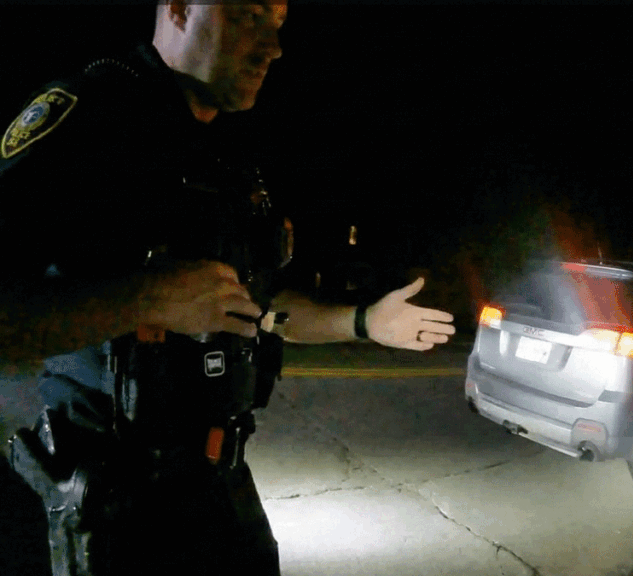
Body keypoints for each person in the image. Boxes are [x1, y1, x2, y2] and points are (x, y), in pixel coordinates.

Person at [0, 1, 455, 574]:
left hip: (215, 489)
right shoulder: (92, 117)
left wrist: (364, 321)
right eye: (245, 16)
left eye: (280, 22)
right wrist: (145, 298)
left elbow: (257, 305)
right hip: (110, 504)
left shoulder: (227, 152)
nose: (273, 45)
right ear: (180, 9)